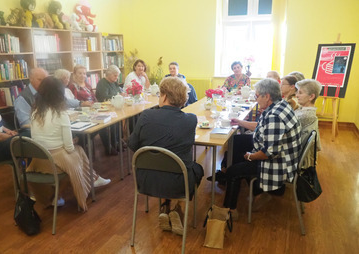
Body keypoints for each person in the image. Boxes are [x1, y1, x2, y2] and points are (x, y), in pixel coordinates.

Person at [129, 77, 204, 236]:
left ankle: (165, 207)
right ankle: (178, 209)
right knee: (197, 169)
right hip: (178, 183)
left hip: (145, 180)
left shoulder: (146, 116)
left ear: (163, 97)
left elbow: (133, 145)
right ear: (183, 99)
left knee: (164, 165)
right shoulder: (191, 120)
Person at [221, 78, 301, 219]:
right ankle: (242, 183)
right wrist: (240, 122)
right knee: (237, 141)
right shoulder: (280, 105)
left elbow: (269, 153)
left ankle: (230, 209)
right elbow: (261, 127)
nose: (256, 99)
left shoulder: (274, 116)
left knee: (234, 171)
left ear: (267, 96)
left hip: (278, 163)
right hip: (279, 152)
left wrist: (250, 157)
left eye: (257, 96)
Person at [29, 76, 110, 211]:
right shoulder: (60, 114)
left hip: (38, 160)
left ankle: (92, 179)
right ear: (60, 94)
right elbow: (69, 147)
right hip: (55, 161)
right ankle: (93, 179)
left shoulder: (35, 113)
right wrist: (72, 142)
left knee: (78, 152)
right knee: (79, 151)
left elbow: (38, 138)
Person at [95, 65, 122, 155]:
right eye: (115, 75)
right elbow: (104, 97)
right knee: (113, 122)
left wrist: (122, 93)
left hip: (113, 107)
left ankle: (117, 142)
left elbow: (119, 91)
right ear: (109, 74)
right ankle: (109, 146)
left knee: (118, 121)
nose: (116, 77)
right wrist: (118, 96)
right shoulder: (102, 83)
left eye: (117, 75)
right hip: (103, 109)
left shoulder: (114, 82)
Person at [295, 79, 322, 167]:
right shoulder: (304, 111)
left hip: (296, 157)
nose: (297, 95)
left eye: (300, 93)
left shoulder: (306, 115)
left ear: (311, 97)